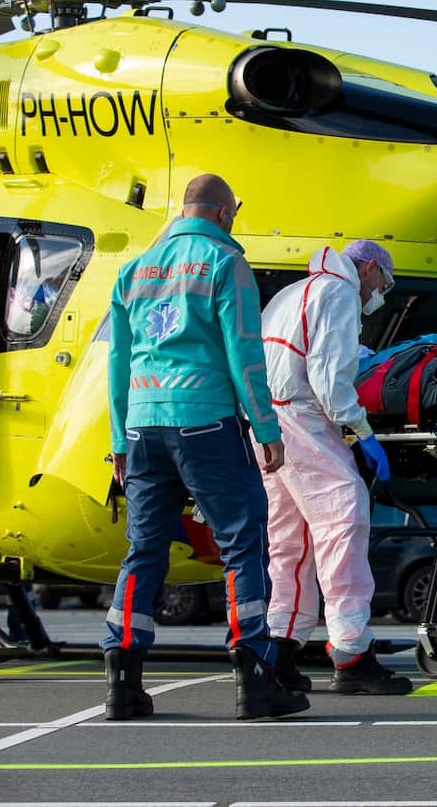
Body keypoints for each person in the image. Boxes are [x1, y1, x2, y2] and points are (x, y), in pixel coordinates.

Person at [104, 174, 307, 721]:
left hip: (142, 427)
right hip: (206, 424)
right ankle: (254, 676)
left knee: (144, 550)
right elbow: (245, 353)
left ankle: (123, 679)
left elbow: (117, 363)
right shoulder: (225, 263)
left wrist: (118, 439)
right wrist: (266, 429)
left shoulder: (133, 270)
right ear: (222, 213)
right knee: (243, 544)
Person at [259, 239, 411, 695]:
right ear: (369, 269)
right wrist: (361, 430)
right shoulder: (338, 292)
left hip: (265, 422)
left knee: (291, 539)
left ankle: (280, 651)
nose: (379, 294)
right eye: (384, 282)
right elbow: (328, 378)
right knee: (344, 515)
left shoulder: (294, 292)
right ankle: (351, 653)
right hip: (302, 418)